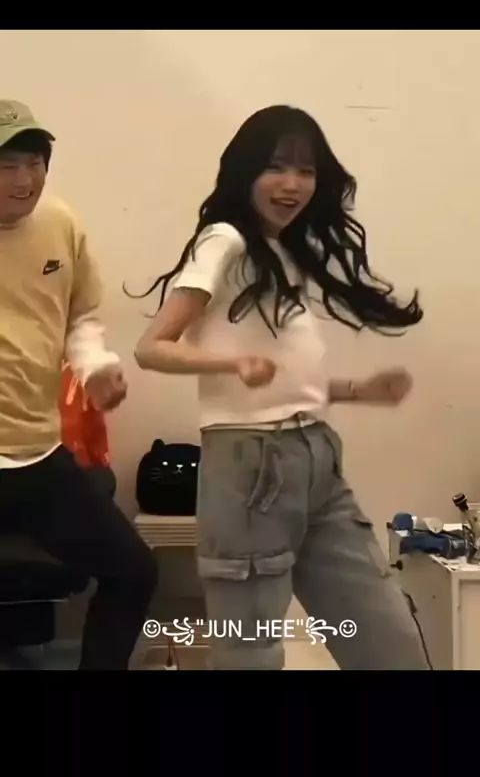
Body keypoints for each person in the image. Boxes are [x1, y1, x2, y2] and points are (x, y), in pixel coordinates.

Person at [132, 104, 429, 670]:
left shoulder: (285, 252)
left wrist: (359, 389)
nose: (292, 184)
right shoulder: (223, 240)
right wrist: (230, 364)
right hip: (251, 469)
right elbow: (152, 347)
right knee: (249, 655)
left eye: (306, 170)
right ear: (245, 172)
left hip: (315, 460)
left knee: (387, 639)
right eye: (275, 166)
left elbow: (283, 381)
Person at [0, 99, 156, 670]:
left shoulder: (60, 223)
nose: (25, 181)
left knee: (134, 571)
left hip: (37, 454)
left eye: (35, 163)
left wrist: (95, 368)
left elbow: (79, 317)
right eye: (7, 166)